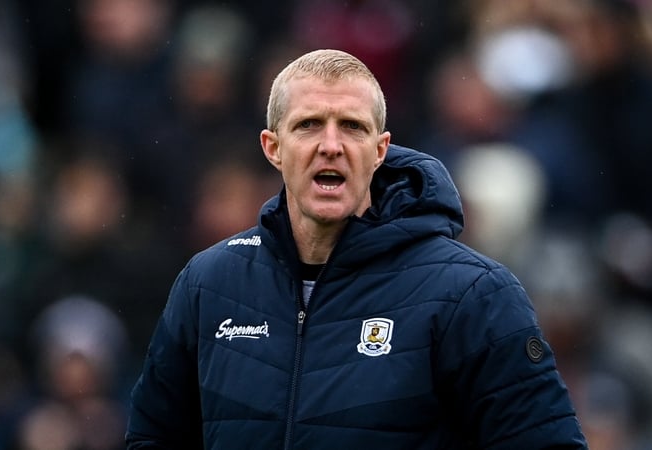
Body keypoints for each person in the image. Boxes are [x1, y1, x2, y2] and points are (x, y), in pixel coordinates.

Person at [125, 48, 588, 449]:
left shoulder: (473, 295)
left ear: (380, 149)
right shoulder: (209, 283)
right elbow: (153, 439)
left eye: (351, 126)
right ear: (273, 148)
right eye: (309, 125)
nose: (331, 145)